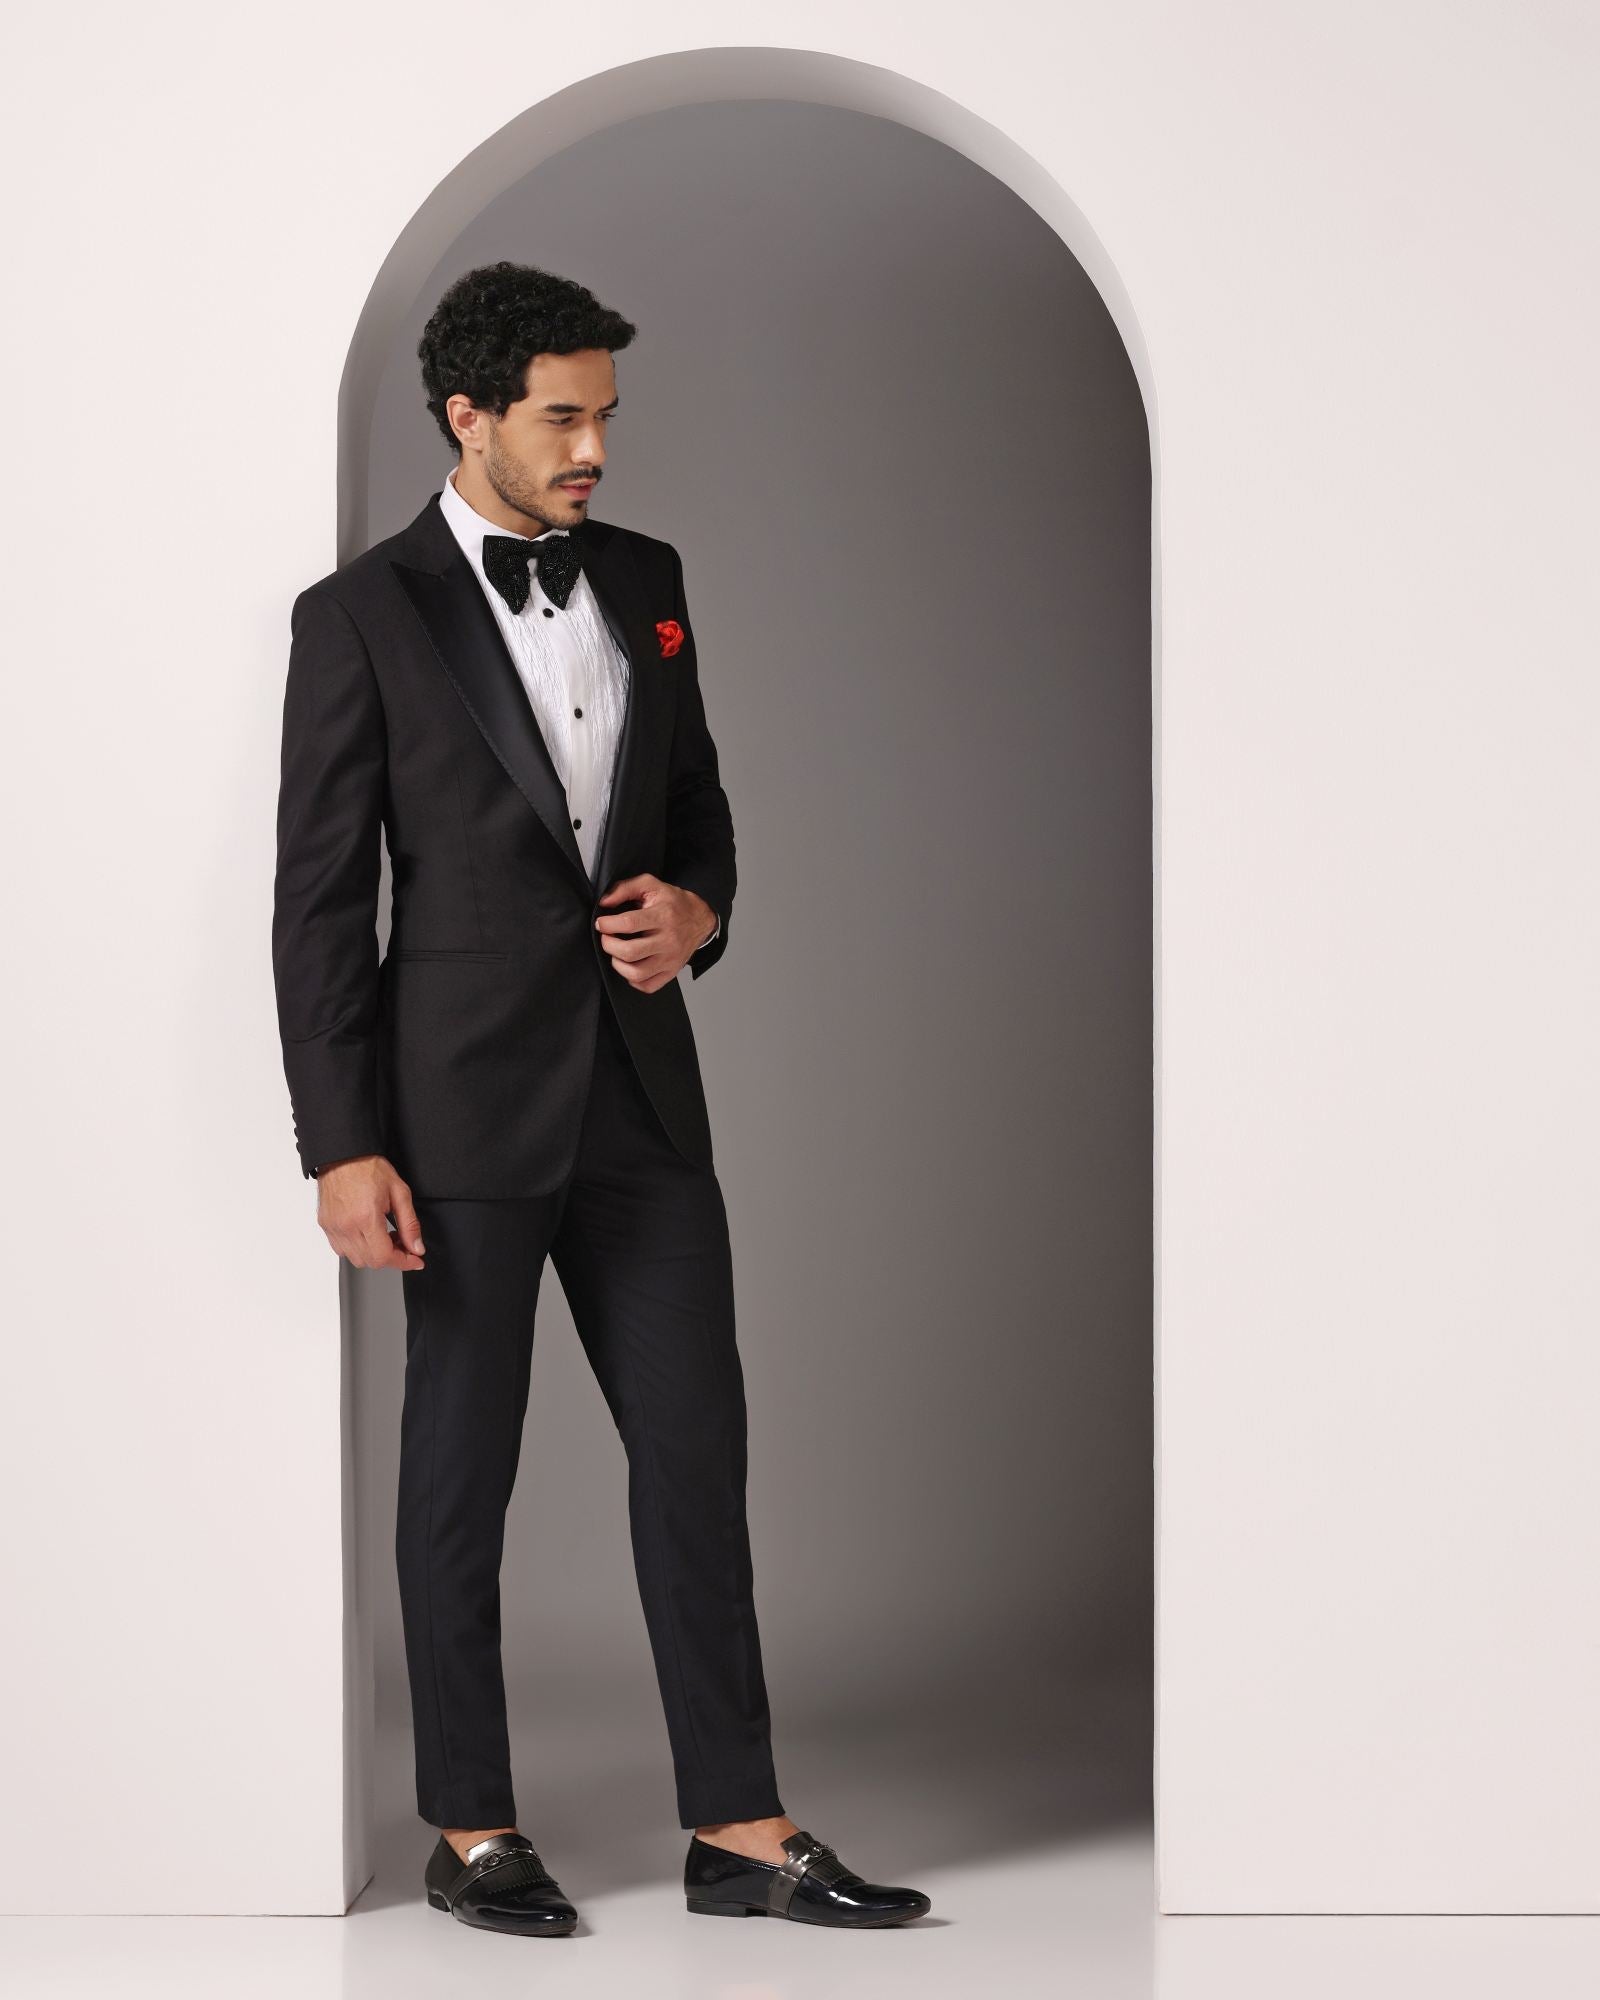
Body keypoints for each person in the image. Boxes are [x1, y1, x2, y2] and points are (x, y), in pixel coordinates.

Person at [271, 260, 930, 1936]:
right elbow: (321, 902)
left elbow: (698, 801)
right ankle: (472, 1828)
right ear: (468, 417)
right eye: (562, 418)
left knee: (696, 1455)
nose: (595, 452)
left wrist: (701, 909)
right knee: (461, 1475)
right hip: (457, 1111)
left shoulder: (646, 578)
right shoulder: (361, 614)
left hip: (640, 1095)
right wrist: (342, 1143)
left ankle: (741, 1828)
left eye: (606, 418)